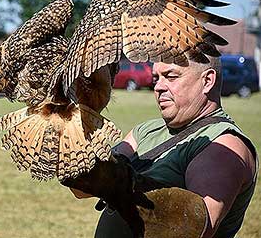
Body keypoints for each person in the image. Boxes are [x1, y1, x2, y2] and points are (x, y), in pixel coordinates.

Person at [67, 57, 258, 238]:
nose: (158, 86)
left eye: (171, 76)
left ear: (207, 81)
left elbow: (197, 228)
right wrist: (71, 131)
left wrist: (127, 186)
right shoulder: (146, 131)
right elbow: (83, 189)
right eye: (155, 78)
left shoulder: (223, 145)